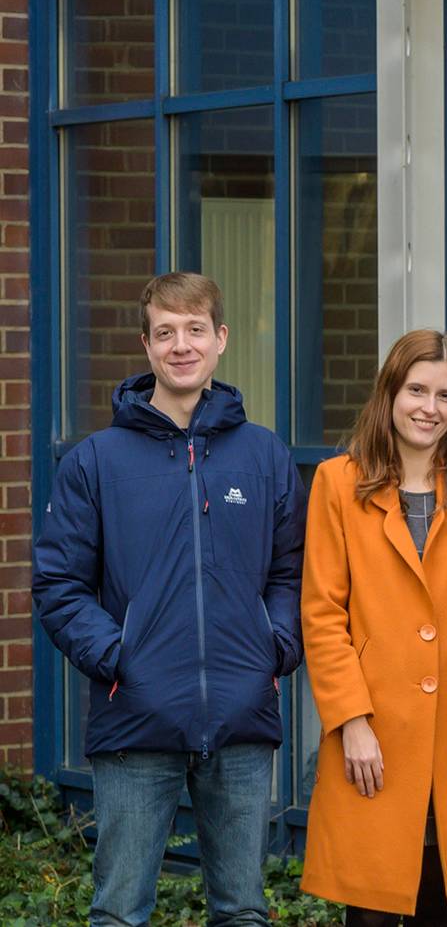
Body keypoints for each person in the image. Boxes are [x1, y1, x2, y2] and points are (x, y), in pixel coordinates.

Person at [32, 272, 306, 927]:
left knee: (242, 911)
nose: (180, 345)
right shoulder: (97, 461)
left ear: (221, 339)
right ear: (146, 344)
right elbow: (59, 583)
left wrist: (273, 646)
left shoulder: (264, 455)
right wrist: (119, 656)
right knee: (120, 912)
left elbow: (293, 572)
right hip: (136, 721)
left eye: (194, 330)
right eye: (165, 332)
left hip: (240, 718)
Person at [301, 331, 447, 925]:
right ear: (390, 393)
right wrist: (350, 720)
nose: (430, 408)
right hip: (373, 731)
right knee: (370, 909)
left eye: (446, 396)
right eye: (417, 390)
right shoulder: (338, 483)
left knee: (439, 904)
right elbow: (322, 615)